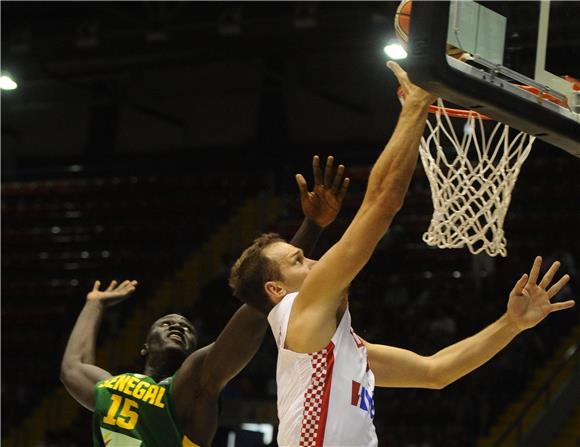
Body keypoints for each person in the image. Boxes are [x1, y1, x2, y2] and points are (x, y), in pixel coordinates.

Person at [228, 61, 575, 447]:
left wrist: (511, 325)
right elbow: (382, 203)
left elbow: (435, 371)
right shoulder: (300, 310)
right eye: (297, 261)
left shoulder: (338, 350)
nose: (312, 260)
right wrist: (417, 103)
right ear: (276, 289)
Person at [60, 155, 350, 447]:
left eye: (187, 327)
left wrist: (311, 227)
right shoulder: (112, 390)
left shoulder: (192, 387)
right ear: (145, 345)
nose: (178, 326)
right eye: (167, 323)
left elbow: (258, 304)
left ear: (192, 350)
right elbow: (73, 367)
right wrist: (93, 304)